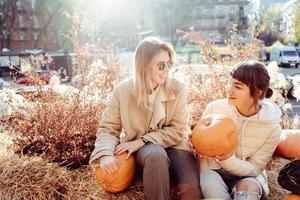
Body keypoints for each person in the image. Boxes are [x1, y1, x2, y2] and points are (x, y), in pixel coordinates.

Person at [89, 37, 201, 200]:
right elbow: (108, 128)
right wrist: (105, 154)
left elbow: (179, 130)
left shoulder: (178, 89)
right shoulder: (123, 91)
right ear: (144, 65)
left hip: (176, 146)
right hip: (145, 152)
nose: (166, 70)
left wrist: (141, 141)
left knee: (191, 191)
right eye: (161, 65)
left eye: (169, 64)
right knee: (155, 154)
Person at [198, 61, 282, 200]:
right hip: (213, 170)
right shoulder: (216, 108)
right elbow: (202, 139)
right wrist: (194, 141)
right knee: (212, 188)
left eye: (237, 87)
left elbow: (255, 168)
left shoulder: (272, 127)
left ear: (257, 92)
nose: (229, 90)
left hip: (248, 175)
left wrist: (227, 159)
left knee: (248, 192)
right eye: (230, 84)